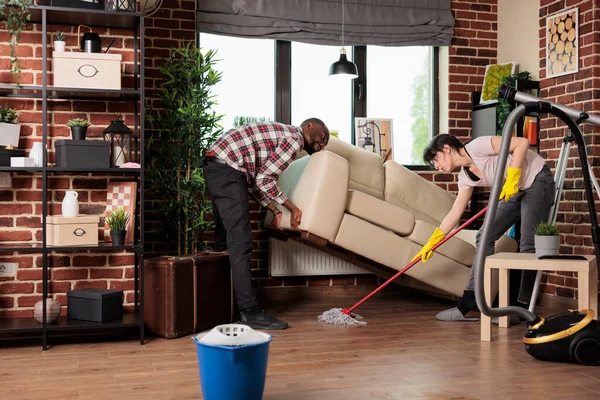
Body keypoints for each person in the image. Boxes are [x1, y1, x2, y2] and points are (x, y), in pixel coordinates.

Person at [204, 118, 330, 330]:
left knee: (224, 241)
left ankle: (224, 307)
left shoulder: (282, 135)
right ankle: (250, 312)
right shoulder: (294, 139)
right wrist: (292, 208)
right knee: (241, 242)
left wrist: (273, 209)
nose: (322, 144)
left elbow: (254, 181)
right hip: (227, 168)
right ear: (308, 127)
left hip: (217, 164)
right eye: (322, 137)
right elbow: (264, 179)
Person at [412, 134, 554, 321]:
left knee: (528, 243)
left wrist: (513, 177)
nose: (437, 166)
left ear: (446, 148)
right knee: (484, 235)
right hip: (512, 188)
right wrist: (433, 240)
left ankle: (522, 306)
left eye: (436, 159)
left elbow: (522, 143)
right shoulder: (465, 177)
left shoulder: (478, 146)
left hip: (536, 179)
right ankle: (470, 299)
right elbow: (455, 212)